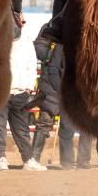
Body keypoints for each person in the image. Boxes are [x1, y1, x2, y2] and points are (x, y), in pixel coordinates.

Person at [0, 4, 43, 170]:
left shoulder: (26, 41)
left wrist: (29, 86)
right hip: (1, 91)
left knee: (21, 128)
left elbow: (32, 63)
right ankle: (0, 158)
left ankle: (28, 159)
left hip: (21, 91)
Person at [33, 23, 92, 169]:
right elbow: (52, 67)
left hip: (79, 90)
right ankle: (63, 161)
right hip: (58, 89)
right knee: (56, 125)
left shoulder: (88, 43)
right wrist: (62, 90)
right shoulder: (58, 39)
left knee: (83, 126)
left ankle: (81, 161)